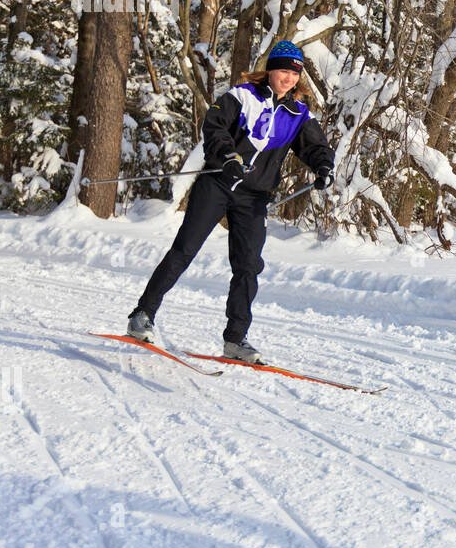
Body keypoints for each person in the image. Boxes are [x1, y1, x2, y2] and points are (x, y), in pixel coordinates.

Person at [125, 41, 336, 363]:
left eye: (294, 74)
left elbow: (316, 146)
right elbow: (215, 129)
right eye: (283, 71)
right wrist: (227, 156)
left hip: (254, 197)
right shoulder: (240, 97)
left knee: (248, 266)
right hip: (218, 183)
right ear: (270, 70)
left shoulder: (297, 113)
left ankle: (235, 341)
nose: (288, 78)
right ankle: (142, 315)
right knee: (184, 250)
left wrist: (323, 166)